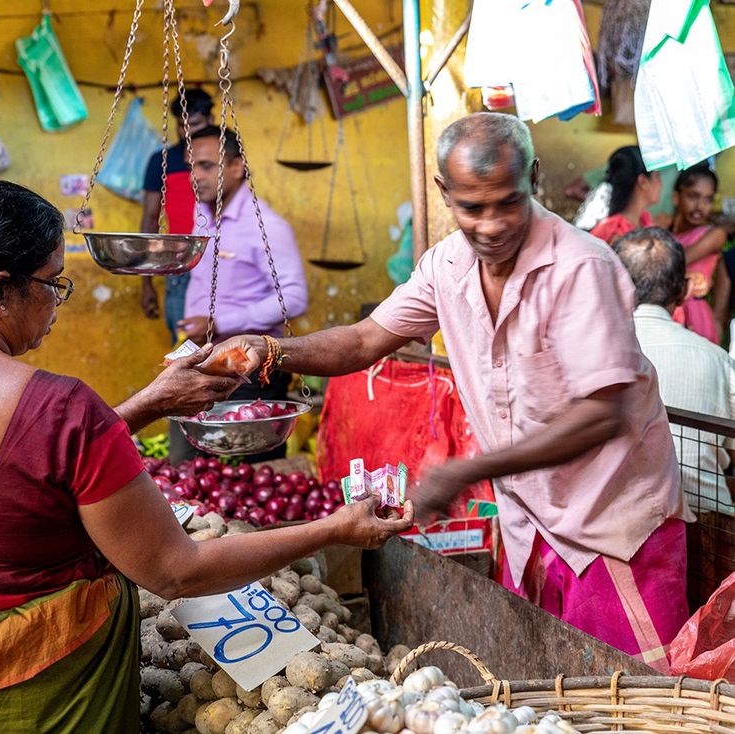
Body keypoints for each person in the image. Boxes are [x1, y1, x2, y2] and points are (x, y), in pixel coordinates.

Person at [0, 179, 413, 732]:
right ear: (0, 292)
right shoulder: (58, 407)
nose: (58, 302)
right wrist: (335, 529)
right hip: (47, 700)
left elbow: (15, 483)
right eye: (51, 284)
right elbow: (176, 571)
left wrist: (147, 404)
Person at [208, 113, 693, 671]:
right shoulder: (446, 265)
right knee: (558, 696)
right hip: (530, 526)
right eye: (472, 208)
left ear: (533, 178)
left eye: (507, 203)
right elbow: (366, 338)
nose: (490, 226)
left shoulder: (581, 267)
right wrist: (269, 350)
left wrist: (467, 469)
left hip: (612, 526)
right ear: (444, 192)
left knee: (638, 700)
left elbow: (602, 414)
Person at [614, 227, 734, 607]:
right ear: (683, 290)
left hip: (622, 531)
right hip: (714, 532)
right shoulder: (718, 360)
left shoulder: (596, 356)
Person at [175, 125, 308, 462]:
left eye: (207, 166)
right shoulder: (202, 214)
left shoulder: (266, 225)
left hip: (249, 369)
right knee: (188, 467)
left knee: (254, 471)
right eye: (191, 166)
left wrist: (220, 321)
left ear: (236, 167)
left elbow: (293, 297)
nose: (195, 176)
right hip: (202, 362)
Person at [139, 89, 214, 343]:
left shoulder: (224, 161)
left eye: (194, 124)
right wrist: (146, 283)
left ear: (210, 120)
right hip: (180, 264)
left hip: (221, 262)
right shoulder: (161, 161)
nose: (187, 132)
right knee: (183, 342)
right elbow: (150, 219)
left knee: (225, 343)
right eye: (182, 125)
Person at [669, 162, 731, 344]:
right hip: (667, 312)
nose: (700, 206)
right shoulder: (666, 230)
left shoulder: (715, 235)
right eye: (693, 196)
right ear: (676, 197)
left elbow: (675, 262)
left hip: (694, 315)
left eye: (708, 199)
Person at [590, 145, 662, 245]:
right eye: (657, 176)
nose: (660, 184)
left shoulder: (645, 221)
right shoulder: (613, 231)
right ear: (643, 182)